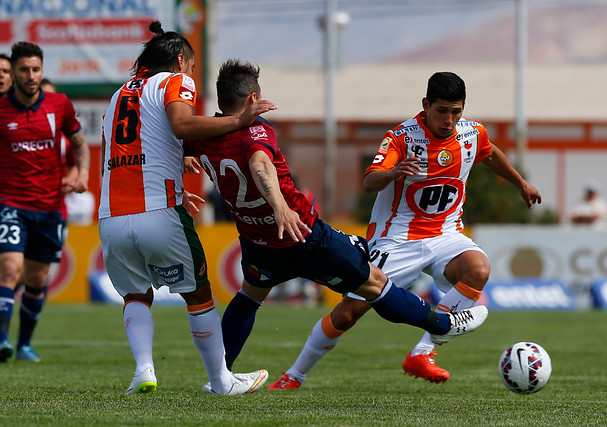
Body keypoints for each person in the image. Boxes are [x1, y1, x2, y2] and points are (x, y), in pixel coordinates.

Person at [184, 60, 489, 378]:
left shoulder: (199, 136)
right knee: (374, 284)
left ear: (219, 103)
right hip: (304, 233)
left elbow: (174, 141)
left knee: (249, 296)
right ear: (252, 101)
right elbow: (260, 162)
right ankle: (443, 324)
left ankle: (220, 377)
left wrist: (180, 179)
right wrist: (279, 205)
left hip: (257, 240)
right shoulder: (256, 130)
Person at [267, 71, 542, 390]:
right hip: (397, 239)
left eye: (456, 111)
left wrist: (520, 183)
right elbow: (369, 181)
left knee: (478, 270)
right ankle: (294, 375)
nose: (449, 120)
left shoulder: (472, 133)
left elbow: (490, 152)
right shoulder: (401, 137)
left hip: (445, 234)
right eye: (442, 111)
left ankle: (423, 353)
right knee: (348, 313)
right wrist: (394, 171)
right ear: (426, 105)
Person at [98, 21, 277, 395]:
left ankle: (144, 371)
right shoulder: (174, 80)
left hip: (111, 216)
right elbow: (180, 125)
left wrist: (175, 164)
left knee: (135, 295)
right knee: (198, 295)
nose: (192, 75)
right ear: (181, 60)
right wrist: (240, 120)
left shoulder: (116, 97)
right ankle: (220, 380)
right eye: (192, 67)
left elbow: (123, 152)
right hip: (158, 213)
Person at [0, 42, 91, 363]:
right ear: (14, 73)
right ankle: (1, 342)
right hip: (11, 204)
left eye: (35, 69)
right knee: (10, 270)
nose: (30, 75)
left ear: (42, 70)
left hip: (51, 208)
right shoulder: (1, 109)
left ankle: (24, 344)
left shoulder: (59, 105)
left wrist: (81, 173)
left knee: (37, 280)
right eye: (24, 69)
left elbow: (81, 145)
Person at [40, 78, 96, 225]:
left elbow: (74, 162)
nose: (48, 101)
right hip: (30, 196)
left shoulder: (66, 134)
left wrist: (71, 180)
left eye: (52, 96)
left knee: (86, 201)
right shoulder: (21, 125)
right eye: (44, 96)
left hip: (61, 196)